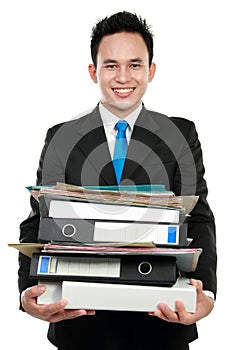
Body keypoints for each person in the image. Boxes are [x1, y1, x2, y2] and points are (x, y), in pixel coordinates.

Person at [18, 11, 217, 350]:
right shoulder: (61, 138)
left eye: (135, 65)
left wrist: (206, 290)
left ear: (151, 71)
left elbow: (198, 216)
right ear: (94, 71)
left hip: (162, 317)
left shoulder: (180, 134)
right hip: (81, 322)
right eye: (111, 65)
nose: (123, 77)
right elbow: (40, 220)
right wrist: (27, 291)